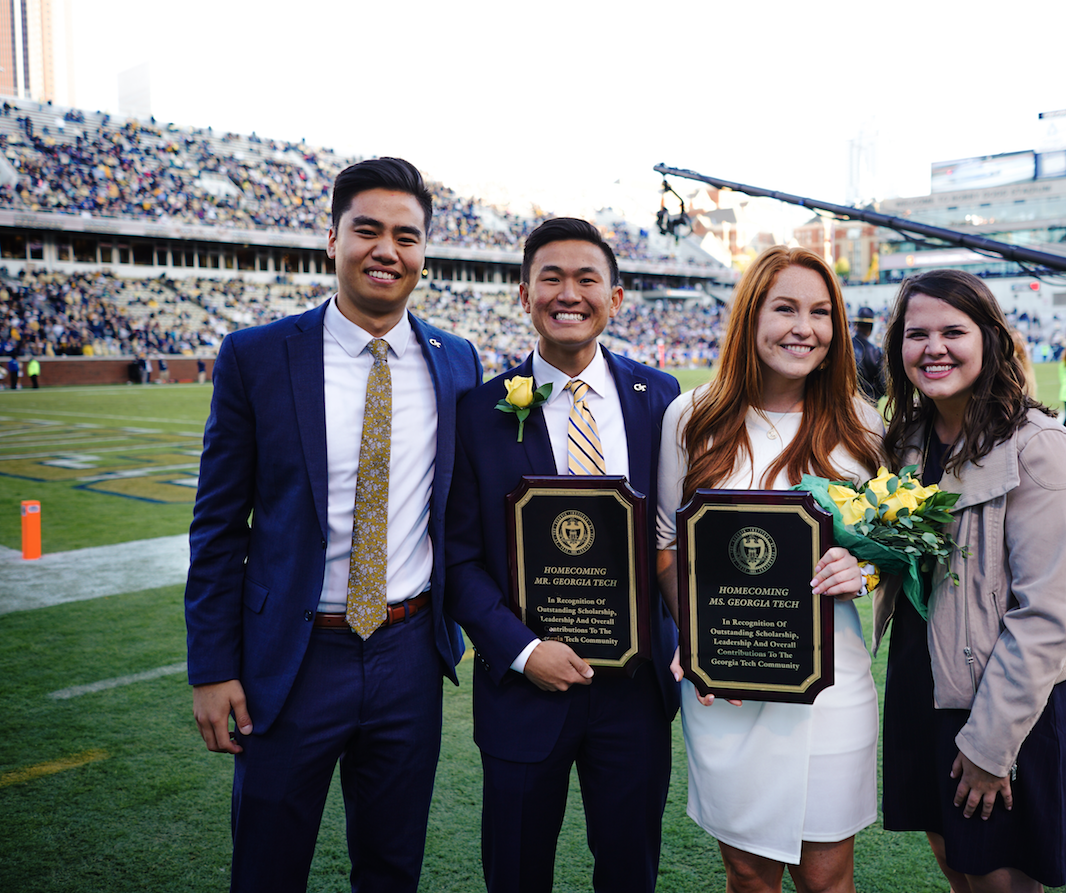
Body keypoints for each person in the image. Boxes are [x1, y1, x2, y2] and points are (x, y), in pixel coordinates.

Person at [185, 157, 482, 892]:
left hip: (410, 650)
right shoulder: (256, 355)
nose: (388, 249)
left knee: (390, 864)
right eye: (368, 230)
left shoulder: (458, 361)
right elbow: (218, 525)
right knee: (267, 862)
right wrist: (213, 667)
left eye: (407, 236)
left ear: (424, 252)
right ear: (332, 238)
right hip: (292, 653)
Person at [445, 218, 681, 893]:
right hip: (524, 687)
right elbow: (458, 558)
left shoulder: (660, 398)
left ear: (617, 295)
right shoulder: (477, 410)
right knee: (516, 872)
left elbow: (681, 532)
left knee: (630, 869)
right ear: (524, 294)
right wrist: (522, 650)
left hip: (635, 689)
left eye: (587, 278)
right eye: (551, 277)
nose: (568, 293)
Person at [656, 245, 883, 893]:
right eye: (785, 308)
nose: (803, 328)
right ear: (751, 317)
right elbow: (666, 542)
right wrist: (698, 639)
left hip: (829, 681)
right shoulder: (691, 416)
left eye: (820, 312)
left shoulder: (864, 427)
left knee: (825, 876)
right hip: (724, 685)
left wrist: (861, 571)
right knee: (749, 874)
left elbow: (891, 554)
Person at [876, 269, 1066, 893]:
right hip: (922, 679)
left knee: (1002, 882)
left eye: (954, 331)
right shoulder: (907, 442)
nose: (934, 348)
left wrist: (990, 745)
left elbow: (1048, 617)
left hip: (1006, 702)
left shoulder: (1043, 449)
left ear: (990, 340)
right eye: (916, 333)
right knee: (957, 864)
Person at [851, 304, 885, 402]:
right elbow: (883, 386)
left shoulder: (844, 348)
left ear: (856, 325)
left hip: (847, 404)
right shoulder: (875, 351)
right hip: (869, 404)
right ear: (871, 327)